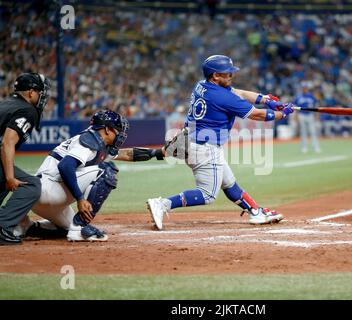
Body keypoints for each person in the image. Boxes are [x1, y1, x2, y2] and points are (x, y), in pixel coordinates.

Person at [146, 54, 295, 230]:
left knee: (229, 182)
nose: (231, 76)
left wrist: (266, 100)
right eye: (227, 73)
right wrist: (282, 113)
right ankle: (163, 204)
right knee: (208, 194)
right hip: (204, 148)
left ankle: (255, 211)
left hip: (191, 142)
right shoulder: (223, 98)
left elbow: (240, 93)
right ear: (215, 75)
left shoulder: (202, 86)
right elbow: (258, 115)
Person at [14, 109, 165, 242]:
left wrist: (157, 153)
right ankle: (80, 227)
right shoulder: (90, 140)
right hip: (50, 190)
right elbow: (65, 165)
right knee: (107, 171)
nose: (121, 135)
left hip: (41, 198)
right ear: (107, 129)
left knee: (65, 230)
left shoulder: (96, 142)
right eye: (118, 131)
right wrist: (80, 198)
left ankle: (27, 226)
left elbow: (126, 154)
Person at [0, 73, 50, 245]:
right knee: (31, 185)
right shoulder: (27, 110)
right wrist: (10, 177)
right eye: (40, 93)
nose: (42, 97)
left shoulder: (7, 103)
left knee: (4, 180)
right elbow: (7, 142)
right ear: (30, 92)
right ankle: (2, 226)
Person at [293, 82, 321, 153]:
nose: (304, 89)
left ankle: (316, 147)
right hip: (302, 115)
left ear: (307, 89)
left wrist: (317, 115)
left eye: (305, 88)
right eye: (303, 88)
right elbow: (296, 108)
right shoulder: (298, 97)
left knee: (313, 132)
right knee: (303, 132)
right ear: (302, 89)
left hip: (310, 115)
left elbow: (316, 106)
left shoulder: (311, 96)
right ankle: (304, 147)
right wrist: (295, 116)